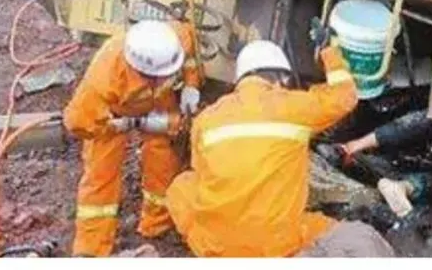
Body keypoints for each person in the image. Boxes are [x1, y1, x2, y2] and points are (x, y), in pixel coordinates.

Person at [164, 31, 394, 257]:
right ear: (281, 78)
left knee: (182, 185)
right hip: (274, 247)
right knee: (348, 236)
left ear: (241, 79)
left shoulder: (206, 119)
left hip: (216, 246)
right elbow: (344, 97)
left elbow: (202, 171)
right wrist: (329, 52)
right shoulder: (293, 107)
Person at [62, 19, 205, 257]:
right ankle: (92, 248)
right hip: (113, 115)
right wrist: (122, 124)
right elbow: (79, 124)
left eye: (166, 74)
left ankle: (157, 224)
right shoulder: (104, 78)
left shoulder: (175, 39)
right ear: (137, 69)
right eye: (155, 76)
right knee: (101, 176)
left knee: (163, 160)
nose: (162, 79)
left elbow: (189, 54)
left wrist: (191, 84)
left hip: (159, 101)